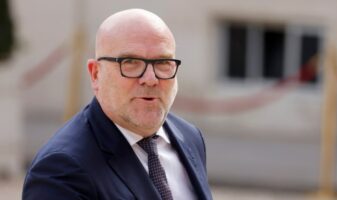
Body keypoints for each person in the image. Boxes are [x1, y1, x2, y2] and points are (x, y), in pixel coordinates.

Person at [22, 8, 212, 200]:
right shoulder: (60, 170)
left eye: (162, 62)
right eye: (130, 62)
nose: (150, 78)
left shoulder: (189, 137)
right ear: (96, 74)